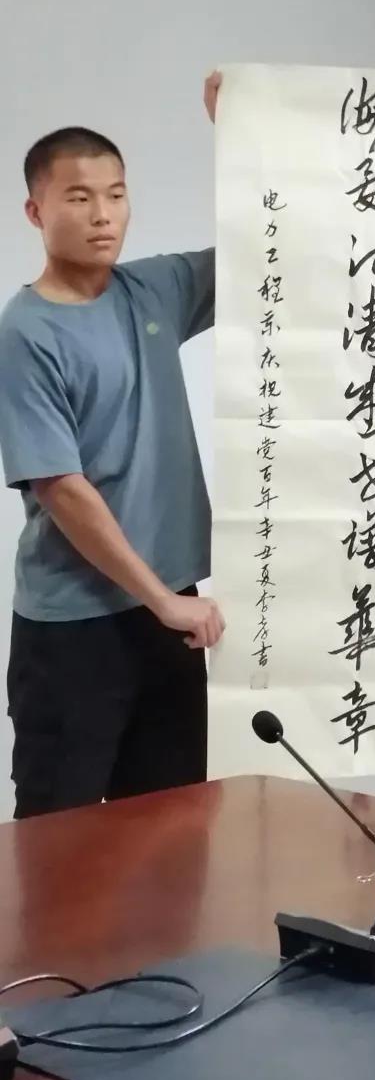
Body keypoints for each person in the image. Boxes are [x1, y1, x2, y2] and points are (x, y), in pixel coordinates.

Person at [0, 124, 224, 819]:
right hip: (74, 629)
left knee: (166, 830)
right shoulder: (25, 331)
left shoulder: (155, 288)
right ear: (36, 210)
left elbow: (271, 247)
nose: (103, 214)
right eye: (79, 197)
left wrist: (243, 124)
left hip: (170, 616)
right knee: (58, 843)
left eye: (116, 195)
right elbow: (62, 489)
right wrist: (163, 599)